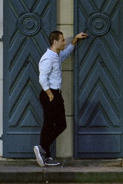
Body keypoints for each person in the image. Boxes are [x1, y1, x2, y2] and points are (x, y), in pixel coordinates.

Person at [34, 26, 87, 166]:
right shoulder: (47, 58)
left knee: (57, 125)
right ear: (55, 42)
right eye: (63, 40)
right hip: (50, 94)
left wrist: (74, 40)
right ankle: (43, 151)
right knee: (51, 124)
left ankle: (44, 151)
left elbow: (66, 53)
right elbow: (42, 78)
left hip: (55, 94)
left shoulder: (56, 56)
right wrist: (50, 94)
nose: (64, 42)